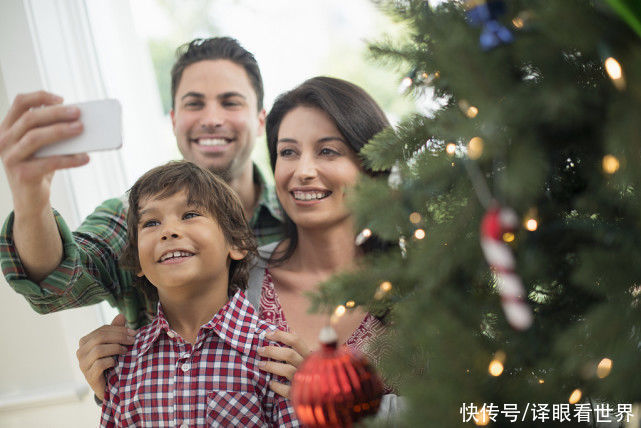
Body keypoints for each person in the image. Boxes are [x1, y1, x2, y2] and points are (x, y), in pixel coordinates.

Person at [0, 38, 282, 399]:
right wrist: (30, 199)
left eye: (231, 102)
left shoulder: (296, 215)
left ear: (260, 120)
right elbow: (58, 281)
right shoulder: (129, 217)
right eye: (195, 103)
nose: (212, 119)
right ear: (175, 120)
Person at [100, 160, 296, 427]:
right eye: (151, 222)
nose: (168, 231)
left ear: (236, 242)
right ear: (137, 262)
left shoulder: (275, 357)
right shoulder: (123, 364)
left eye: (190, 215)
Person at [247, 76, 394, 401]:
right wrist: (114, 379)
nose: (303, 170)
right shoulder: (240, 279)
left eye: (327, 151)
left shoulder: (418, 290)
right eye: (288, 152)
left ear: (372, 168)